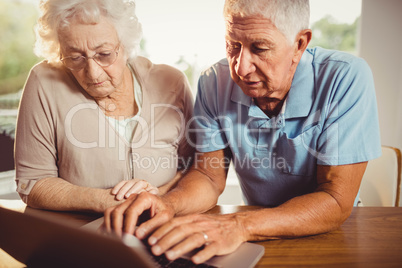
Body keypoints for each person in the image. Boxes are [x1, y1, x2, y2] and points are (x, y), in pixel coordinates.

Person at [104, 0, 381, 264]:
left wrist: (240, 225)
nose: (240, 66)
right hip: (253, 233)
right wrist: (168, 204)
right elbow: (208, 177)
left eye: (259, 48)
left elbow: (335, 199)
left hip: (329, 231)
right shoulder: (213, 81)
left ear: (299, 44)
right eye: (232, 45)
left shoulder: (345, 78)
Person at [14, 0, 194, 213]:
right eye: (75, 57)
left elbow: (198, 170)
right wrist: (107, 201)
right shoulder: (44, 82)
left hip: (164, 228)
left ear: (125, 45)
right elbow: (33, 182)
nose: (93, 72)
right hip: (82, 235)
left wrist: (157, 196)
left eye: (104, 54)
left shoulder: (171, 82)